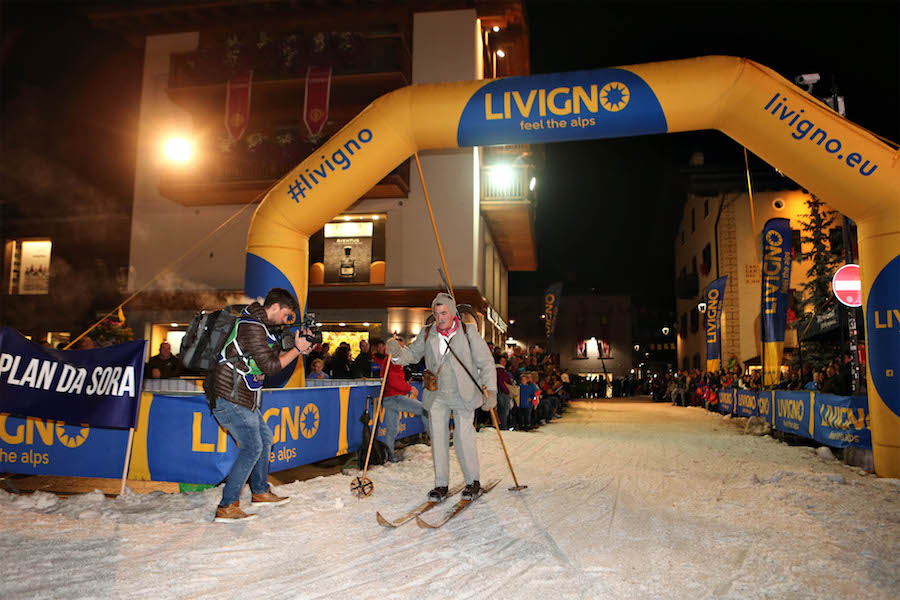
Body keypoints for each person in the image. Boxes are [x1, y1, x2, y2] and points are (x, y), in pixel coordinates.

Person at [211, 287, 313, 523]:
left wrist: (298, 347)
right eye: (287, 315)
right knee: (253, 447)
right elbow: (271, 367)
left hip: (244, 398)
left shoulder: (262, 328)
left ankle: (259, 491)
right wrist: (296, 350)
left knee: (265, 439)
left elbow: (275, 356)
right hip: (230, 396)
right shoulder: (251, 326)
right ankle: (227, 505)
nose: (286, 320)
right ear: (275, 307)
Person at [386, 293, 497, 501]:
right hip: (436, 395)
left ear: (452, 312)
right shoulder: (428, 333)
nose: (440, 317)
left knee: (464, 439)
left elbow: (486, 363)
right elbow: (412, 354)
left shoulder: (468, 331)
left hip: (463, 394)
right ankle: (441, 484)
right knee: (438, 439)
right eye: (436, 313)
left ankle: (473, 481)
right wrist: (397, 353)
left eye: (444, 312)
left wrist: (491, 390)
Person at [375, 337, 423, 462]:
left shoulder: (394, 360)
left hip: (390, 397)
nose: (402, 350)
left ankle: (389, 455)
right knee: (424, 409)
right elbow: (392, 380)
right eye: (400, 347)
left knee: (392, 429)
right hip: (393, 396)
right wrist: (409, 388)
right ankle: (436, 439)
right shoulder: (391, 360)